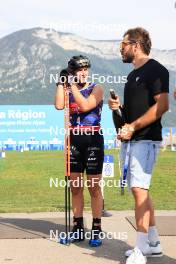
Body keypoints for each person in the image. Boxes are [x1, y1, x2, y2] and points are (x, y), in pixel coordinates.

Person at [108, 27, 169, 263]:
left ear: (135, 44)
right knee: (141, 191)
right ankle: (153, 243)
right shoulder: (132, 75)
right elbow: (129, 118)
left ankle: (140, 249)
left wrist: (133, 127)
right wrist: (118, 111)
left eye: (123, 44)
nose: (120, 48)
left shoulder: (156, 70)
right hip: (133, 140)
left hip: (146, 139)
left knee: (139, 191)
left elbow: (162, 105)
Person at [55, 55, 104, 246]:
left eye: (86, 69)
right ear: (73, 72)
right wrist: (61, 82)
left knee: (93, 187)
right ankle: (77, 229)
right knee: (75, 188)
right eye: (79, 70)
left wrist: (72, 86)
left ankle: (97, 229)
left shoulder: (96, 88)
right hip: (74, 140)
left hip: (92, 140)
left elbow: (84, 106)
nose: (83, 73)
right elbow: (59, 105)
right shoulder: (68, 89)